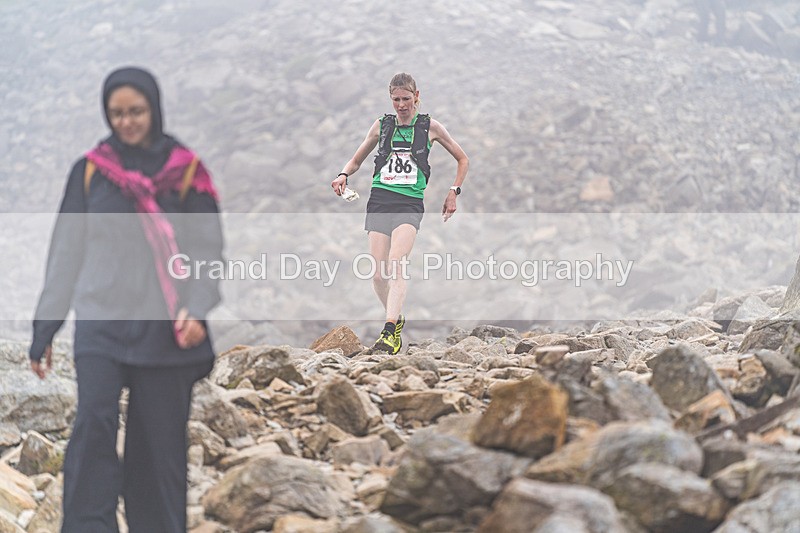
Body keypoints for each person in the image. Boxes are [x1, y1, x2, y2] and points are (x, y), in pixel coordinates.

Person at [29, 66, 224, 533]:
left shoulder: (186, 171)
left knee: (156, 448)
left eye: (135, 111)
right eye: (116, 114)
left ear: (153, 109)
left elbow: (208, 249)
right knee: (93, 427)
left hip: (166, 328)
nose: (126, 122)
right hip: (101, 323)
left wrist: (197, 308)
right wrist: (46, 328)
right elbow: (65, 251)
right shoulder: (91, 171)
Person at [332, 73, 469, 354]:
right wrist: (343, 174)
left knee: (396, 262)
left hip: (410, 202)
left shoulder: (430, 127)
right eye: (396, 99)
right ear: (390, 98)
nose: (402, 105)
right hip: (380, 199)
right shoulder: (382, 126)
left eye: (407, 99)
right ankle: (396, 317)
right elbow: (357, 159)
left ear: (417, 96)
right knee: (379, 274)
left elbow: (462, 158)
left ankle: (390, 331)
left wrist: (454, 191)